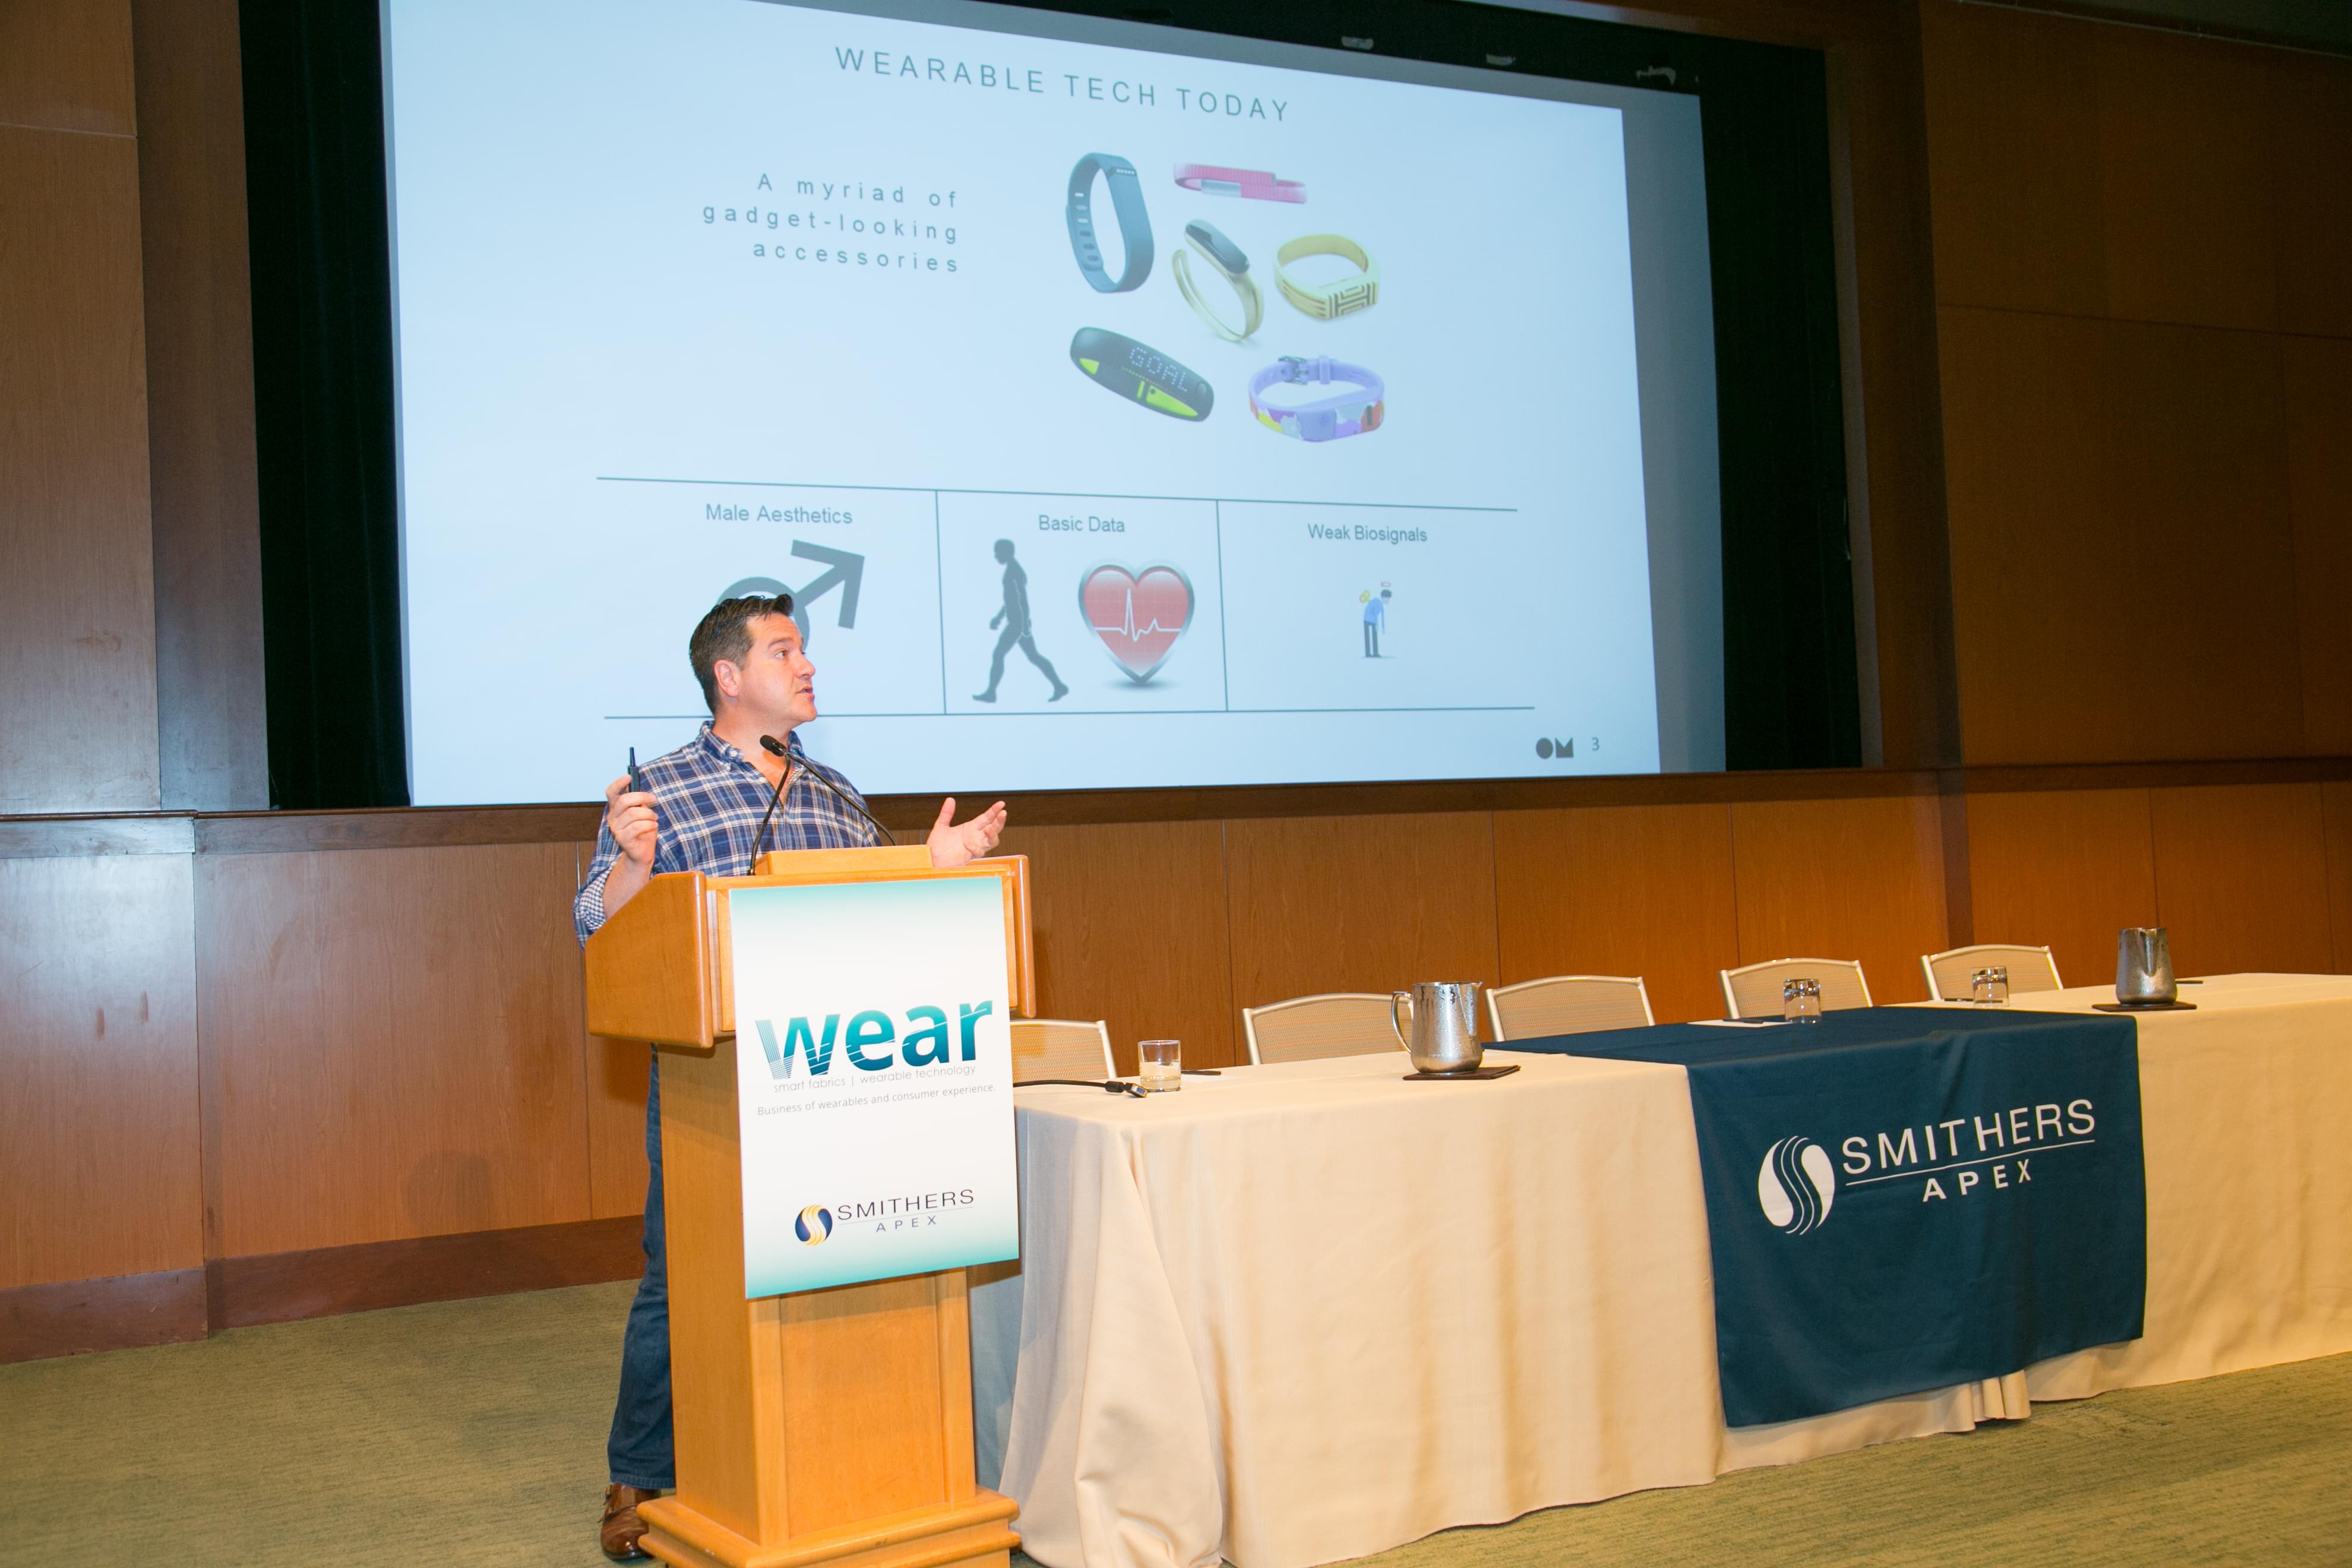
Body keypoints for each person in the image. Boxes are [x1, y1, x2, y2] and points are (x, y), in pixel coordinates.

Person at [574, 592, 1007, 1561]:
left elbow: (876, 911)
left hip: (837, 1072)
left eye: (803, 649)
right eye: (783, 650)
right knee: (682, 1274)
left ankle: (838, 1454)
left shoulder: (831, 790)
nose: (807, 665)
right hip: (714, 1073)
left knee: (843, 1256)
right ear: (728, 677)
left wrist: (933, 865)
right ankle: (639, 1471)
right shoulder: (660, 790)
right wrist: (634, 865)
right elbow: (599, 926)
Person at [973, 538, 1069, 702]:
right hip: (1017, 623)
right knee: (1034, 657)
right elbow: (1011, 600)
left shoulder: (1014, 572)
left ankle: (991, 693)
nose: (996, 556)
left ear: (1006, 552)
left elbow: (1022, 599)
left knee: (999, 654)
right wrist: (999, 617)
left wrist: (1024, 625)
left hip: (1017, 624)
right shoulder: (1012, 570)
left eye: (998, 552)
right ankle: (1059, 686)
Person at [1361, 586, 1390, 657]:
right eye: (1387, 599)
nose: (1388, 601)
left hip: (1373, 620)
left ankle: (1375, 653)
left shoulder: (1381, 606)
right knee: (1367, 637)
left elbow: (1382, 617)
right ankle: (1368, 653)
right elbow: (1374, 612)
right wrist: (1377, 624)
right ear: (1383, 597)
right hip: (1367, 619)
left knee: (1375, 637)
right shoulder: (1377, 601)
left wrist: (1383, 628)